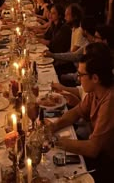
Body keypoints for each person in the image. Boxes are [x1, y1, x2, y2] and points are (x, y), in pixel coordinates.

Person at [47, 47, 114, 183]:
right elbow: (77, 111)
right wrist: (54, 127)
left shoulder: (110, 101)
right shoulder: (95, 92)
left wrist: (53, 142)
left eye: (81, 75)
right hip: (97, 153)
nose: (78, 79)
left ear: (95, 78)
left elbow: (93, 148)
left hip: (106, 164)